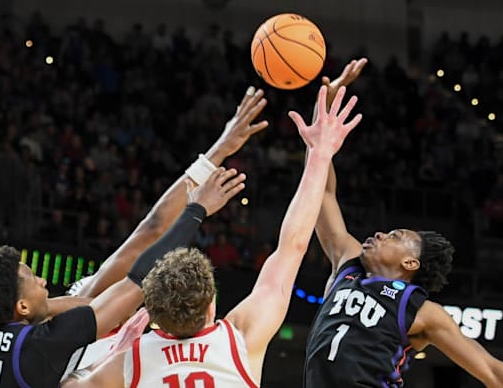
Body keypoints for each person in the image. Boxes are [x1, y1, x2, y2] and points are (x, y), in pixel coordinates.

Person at [60, 85, 362, 387]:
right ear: (211, 304)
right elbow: (293, 246)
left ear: (150, 310)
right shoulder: (240, 340)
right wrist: (320, 154)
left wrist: (105, 360)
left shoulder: (130, 361)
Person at [303, 59, 503, 388]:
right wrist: (323, 113)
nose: (380, 233)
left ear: (411, 262)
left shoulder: (420, 310)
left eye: (395, 236)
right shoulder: (347, 265)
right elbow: (323, 192)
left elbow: (491, 369)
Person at [0, 167, 246, 388]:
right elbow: (135, 282)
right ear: (22, 308)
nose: (43, 281)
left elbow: (48, 308)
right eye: (33, 280)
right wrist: (196, 211)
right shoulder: (39, 348)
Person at [60, 86, 269, 376]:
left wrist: (219, 152)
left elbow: (152, 231)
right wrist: (217, 154)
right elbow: (152, 231)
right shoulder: (87, 310)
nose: (44, 282)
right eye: (32, 278)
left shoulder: (136, 353)